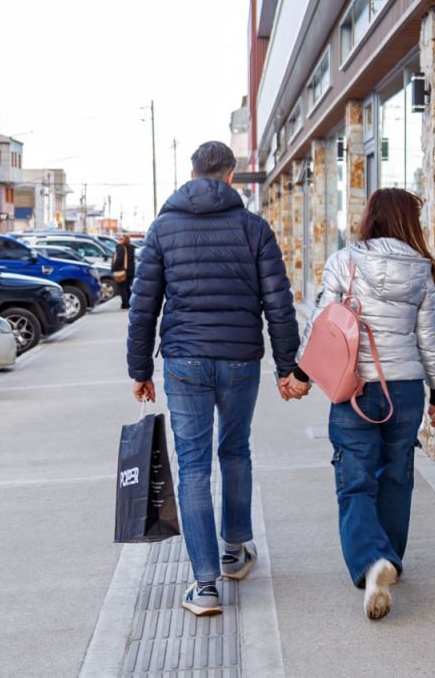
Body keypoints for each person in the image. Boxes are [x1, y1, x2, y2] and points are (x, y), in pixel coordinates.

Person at [127, 141, 302, 617]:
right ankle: (235, 551)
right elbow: (279, 306)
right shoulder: (254, 228)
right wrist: (288, 368)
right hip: (241, 359)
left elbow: (143, 306)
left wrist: (140, 370)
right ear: (230, 176)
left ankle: (204, 586)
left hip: (185, 360)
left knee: (194, 467)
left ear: (192, 173)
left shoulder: (162, 229)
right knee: (236, 449)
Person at [286, 187, 435, 621]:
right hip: (407, 387)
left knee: (355, 477)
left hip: (355, 387)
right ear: (409, 222)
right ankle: (390, 558)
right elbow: (429, 340)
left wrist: (301, 375)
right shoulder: (422, 270)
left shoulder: (346, 261)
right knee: (396, 476)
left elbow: (322, 323)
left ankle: (371, 561)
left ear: (371, 217)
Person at [111, 235, 136, 309]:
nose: (119, 240)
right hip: (130, 270)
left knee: (122, 288)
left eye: (121, 239)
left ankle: (125, 304)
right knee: (127, 287)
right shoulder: (131, 248)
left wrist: (113, 268)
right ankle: (131, 302)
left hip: (122, 271)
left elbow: (118, 260)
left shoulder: (120, 248)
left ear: (124, 240)